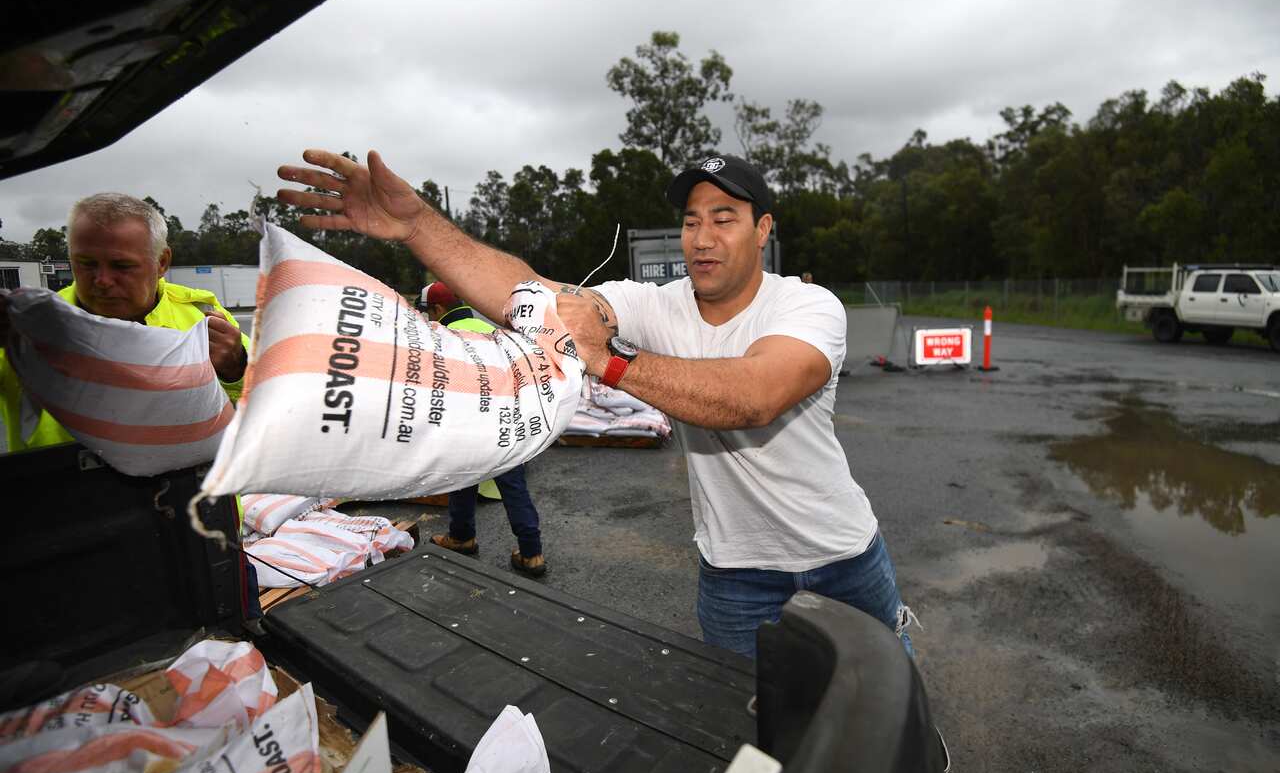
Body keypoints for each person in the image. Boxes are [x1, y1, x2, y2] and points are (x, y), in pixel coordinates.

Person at [277, 150, 917, 659]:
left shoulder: (806, 307)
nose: (703, 236)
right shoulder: (658, 304)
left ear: (764, 229)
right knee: (742, 726)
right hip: (734, 575)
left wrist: (609, 359)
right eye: (693, 220)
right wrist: (417, 226)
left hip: (839, 557)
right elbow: (533, 296)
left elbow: (755, 396)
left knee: (886, 712)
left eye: (725, 218)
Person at [0, 193, 250, 453]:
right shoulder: (24, 325)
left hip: (194, 490)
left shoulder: (202, 314)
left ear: (162, 262)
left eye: (122, 266)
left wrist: (235, 367)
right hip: (62, 490)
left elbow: (269, 401)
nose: (103, 280)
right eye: (86, 264)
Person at [417, 281, 548, 578]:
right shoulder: (489, 330)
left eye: (427, 312)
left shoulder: (440, 335)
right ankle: (531, 553)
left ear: (437, 310)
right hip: (502, 423)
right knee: (512, 487)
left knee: (462, 476)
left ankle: (463, 537)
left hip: (466, 425)